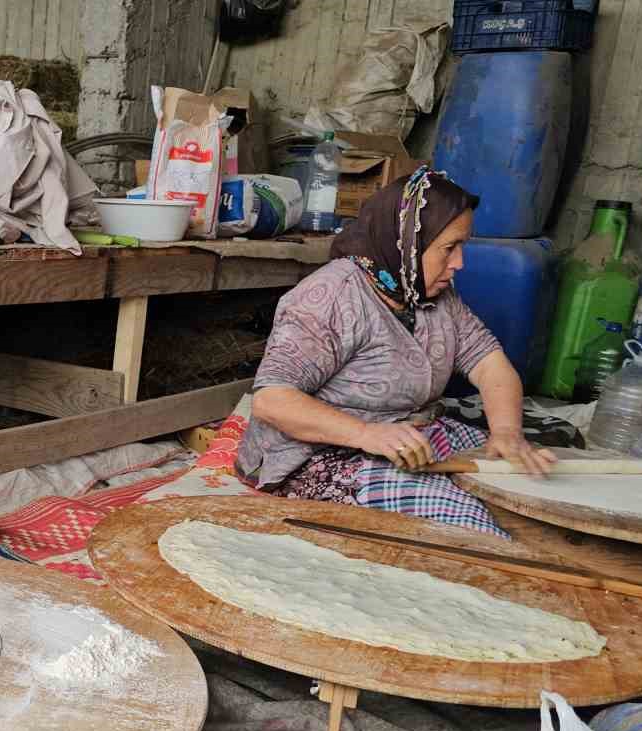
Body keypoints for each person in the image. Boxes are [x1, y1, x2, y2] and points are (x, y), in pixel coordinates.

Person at [236, 167, 556, 537]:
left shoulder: (432, 296)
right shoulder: (331, 296)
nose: (459, 264)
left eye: (462, 246)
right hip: (320, 457)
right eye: (449, 248)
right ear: (408, 243)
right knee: (469, 525)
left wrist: (507, 432)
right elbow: (272, 400)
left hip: (406, 432)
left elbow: (490, 365)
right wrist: (368, 434)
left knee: (516, 471)